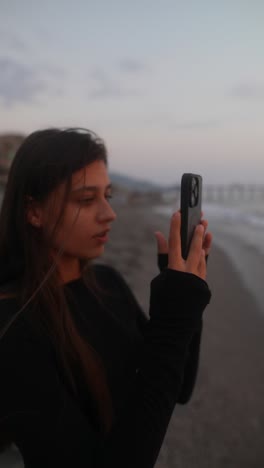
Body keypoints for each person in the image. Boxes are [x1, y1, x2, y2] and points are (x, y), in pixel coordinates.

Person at [0, 128, 212, 468]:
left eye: (107, 196)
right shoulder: (13, 328)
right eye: (86, 199)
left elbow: (179, 385)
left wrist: (185, 295)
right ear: (33, 211)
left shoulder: (107, 282)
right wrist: (176, 313)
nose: (108, 213)